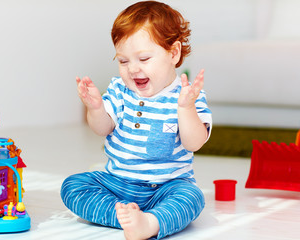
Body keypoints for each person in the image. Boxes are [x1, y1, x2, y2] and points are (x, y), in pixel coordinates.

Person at [61, 1, 212, 239]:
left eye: (143, 59)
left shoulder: (188, 96)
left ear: (173, 53)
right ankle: (125, 216)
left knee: (191, 198)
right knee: (73, 186)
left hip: (166, 187)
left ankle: (151, 223)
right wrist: (95, 107)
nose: (132, 69)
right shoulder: (120, 89)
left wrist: (185, 108)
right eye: (123, 61)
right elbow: (102, 128)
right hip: (118, 183)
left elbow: (194, 143)